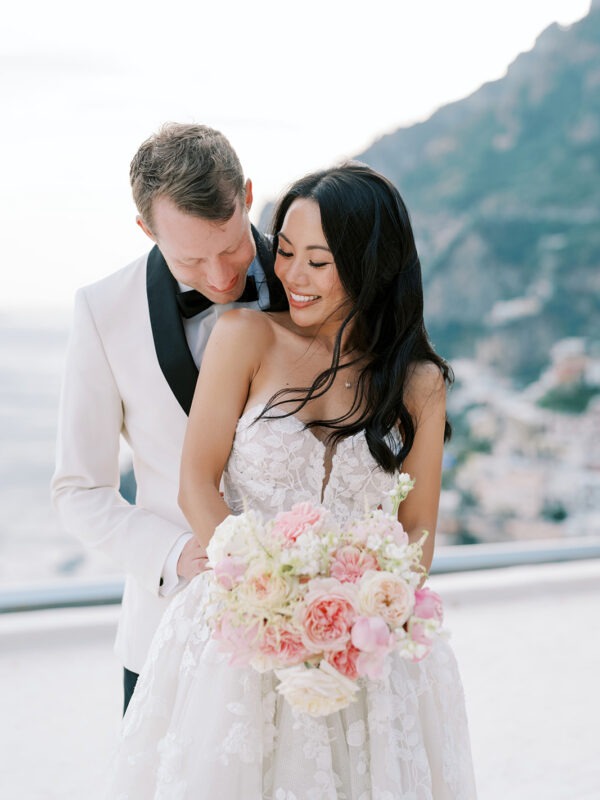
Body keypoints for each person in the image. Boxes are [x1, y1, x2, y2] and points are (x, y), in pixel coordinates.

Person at [105, 162, 477, 798]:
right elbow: (196, 483)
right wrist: (270, 597)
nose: (291, 277)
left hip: (369, 652)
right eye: (285, 253)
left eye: (318, 261)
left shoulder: (419, 383)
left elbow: (417, 530)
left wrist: (367, 609)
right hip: (240, 633)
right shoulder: (244, 335)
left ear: (371, 264)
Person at [51, 123, 286, 713]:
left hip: (305, 633)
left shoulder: (314, 280)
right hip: (166, 635)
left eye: (231, 246)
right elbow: (79, 490)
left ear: (249, 195)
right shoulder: (102, 311)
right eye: (190, 259)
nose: (219, 277)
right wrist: (175, 553)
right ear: (145, 230)